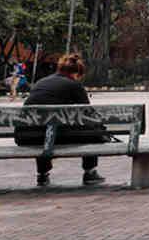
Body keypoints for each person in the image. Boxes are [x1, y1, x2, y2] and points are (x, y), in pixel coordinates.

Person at [14, 53, 105, 187]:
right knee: (93, 133)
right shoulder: (74, 85)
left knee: (43, 129)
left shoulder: (41, 82)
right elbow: (89, 115)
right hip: (51, 135)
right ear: (76, 73)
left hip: (25, 136)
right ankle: (90, 172)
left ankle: (42, 175)